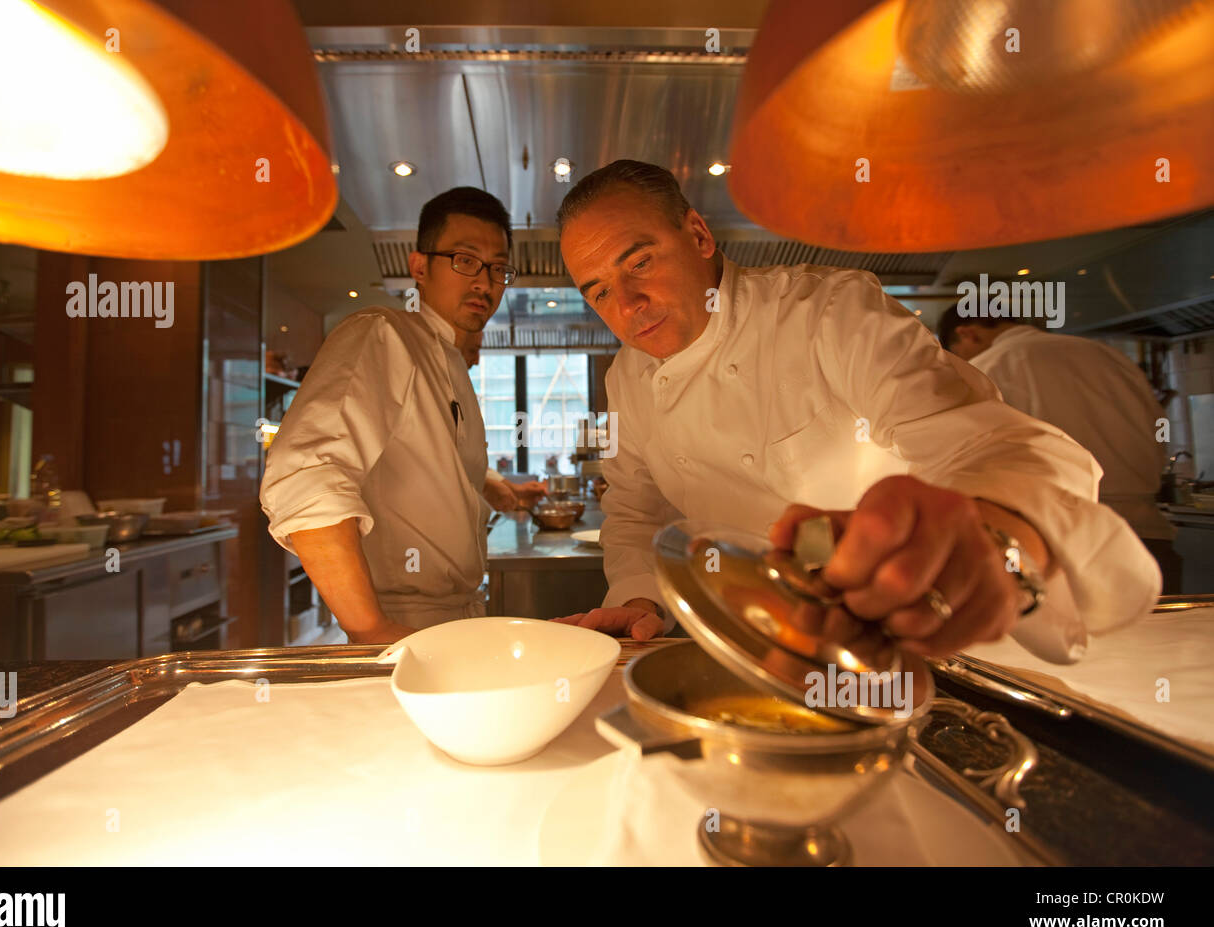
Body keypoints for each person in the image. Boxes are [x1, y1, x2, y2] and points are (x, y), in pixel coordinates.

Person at [552, 160, 1159, 663]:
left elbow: (989, 443)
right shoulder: (628, 378)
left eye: (640, 262)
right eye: (600, 290)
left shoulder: (826, 314)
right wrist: (639, 605)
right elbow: (635, 514)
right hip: (755, 649)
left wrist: (996, 532)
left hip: (906, 638)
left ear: (699, 236)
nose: (627, 305)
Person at [260, 187, 515, 642]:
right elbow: (305, 471)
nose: (484, 282)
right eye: (465, 259)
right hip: (405, 622)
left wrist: (492, 485)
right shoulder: (384, 334)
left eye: (498, 268)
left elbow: (428, 467)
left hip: (458, 618)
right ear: (419, 267)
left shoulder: (451, 362)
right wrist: (370, 629)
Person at [936, 306, 1182, 592]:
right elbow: (1158, 425)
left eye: (957, 351)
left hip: (1059, 546)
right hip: (1149, 540)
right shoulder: (1109, 356)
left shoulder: (988, 368)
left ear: (967, 333)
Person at [455, 328, 548, 513]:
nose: (477, 360)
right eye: (472, 351)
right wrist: (486, 486)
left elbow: (470, 461)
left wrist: (515, 489)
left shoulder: (458, 389)